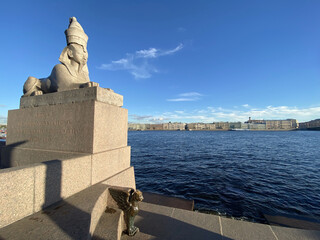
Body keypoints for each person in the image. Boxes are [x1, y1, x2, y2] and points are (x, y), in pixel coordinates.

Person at [23, 17, 98, 97]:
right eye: (81, 49)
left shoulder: (84, 74)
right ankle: (32, 92)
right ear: (70, 53)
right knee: (31, 80)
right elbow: (64, 87)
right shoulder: (59, 68)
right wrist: (81, 86)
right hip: (38, 84)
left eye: (85, 51)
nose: (85, 54)